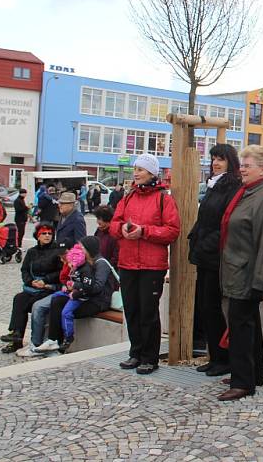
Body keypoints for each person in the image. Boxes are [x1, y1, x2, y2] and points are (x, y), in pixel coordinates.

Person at [216, 145, 263, 401]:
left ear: (262, 169)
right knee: (247, 326)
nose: (241, 168)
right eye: (241, 164)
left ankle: (243, 382)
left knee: (241, 328)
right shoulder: (248, 193)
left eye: (247, 165)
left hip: (247, 275)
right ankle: (252, 373)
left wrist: (259, 283)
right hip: (237, 271)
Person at [110, 153, 180, 375]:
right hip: (128, 262)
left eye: (140, 169)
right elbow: (114, 223)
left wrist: (145, 231)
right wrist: (120, 229)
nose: (136, 173)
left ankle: (150, 357)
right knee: (131, 309)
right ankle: (136, 352)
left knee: (148, 311)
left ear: (152, 173)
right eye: (136, 169)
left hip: (152, 265)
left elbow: (172, 230)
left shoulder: (163, 199)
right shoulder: (128, 197)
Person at [188, 143, 241, 378]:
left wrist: (207, 243)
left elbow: (227, 224)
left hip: (217, 256)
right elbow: (206, 218)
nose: (215, 163)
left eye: (220, 159)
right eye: (213, 159)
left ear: (231, 162)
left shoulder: (232, 187)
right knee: (206, 307)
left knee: (214, 308)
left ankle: (224, 358)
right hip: (205, 254)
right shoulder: (214, 186)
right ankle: (215, 356)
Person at [37, 237, 116, 354]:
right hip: (85, 296)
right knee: (57, 300)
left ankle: (60, 343)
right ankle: (53, 340)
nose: (80, 250)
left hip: (98, 301)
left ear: (90, 249)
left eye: (82, 247)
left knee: (65, 310)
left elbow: (97, 287)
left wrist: (77, 289)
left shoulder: (101, 263)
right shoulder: (85, 263)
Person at [0, 223, 63, 354]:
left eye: (49, 233)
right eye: (44, 233)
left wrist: (45, 280)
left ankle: (33, 340)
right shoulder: (32, 252)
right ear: (38, 236)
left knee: (30, 303)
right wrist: (30, 281)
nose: (47, 236)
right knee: (19, 298)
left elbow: (60, 272)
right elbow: (25, 270)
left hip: (48, 288)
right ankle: (16, 335)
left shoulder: (57, 251)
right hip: (33, 286)